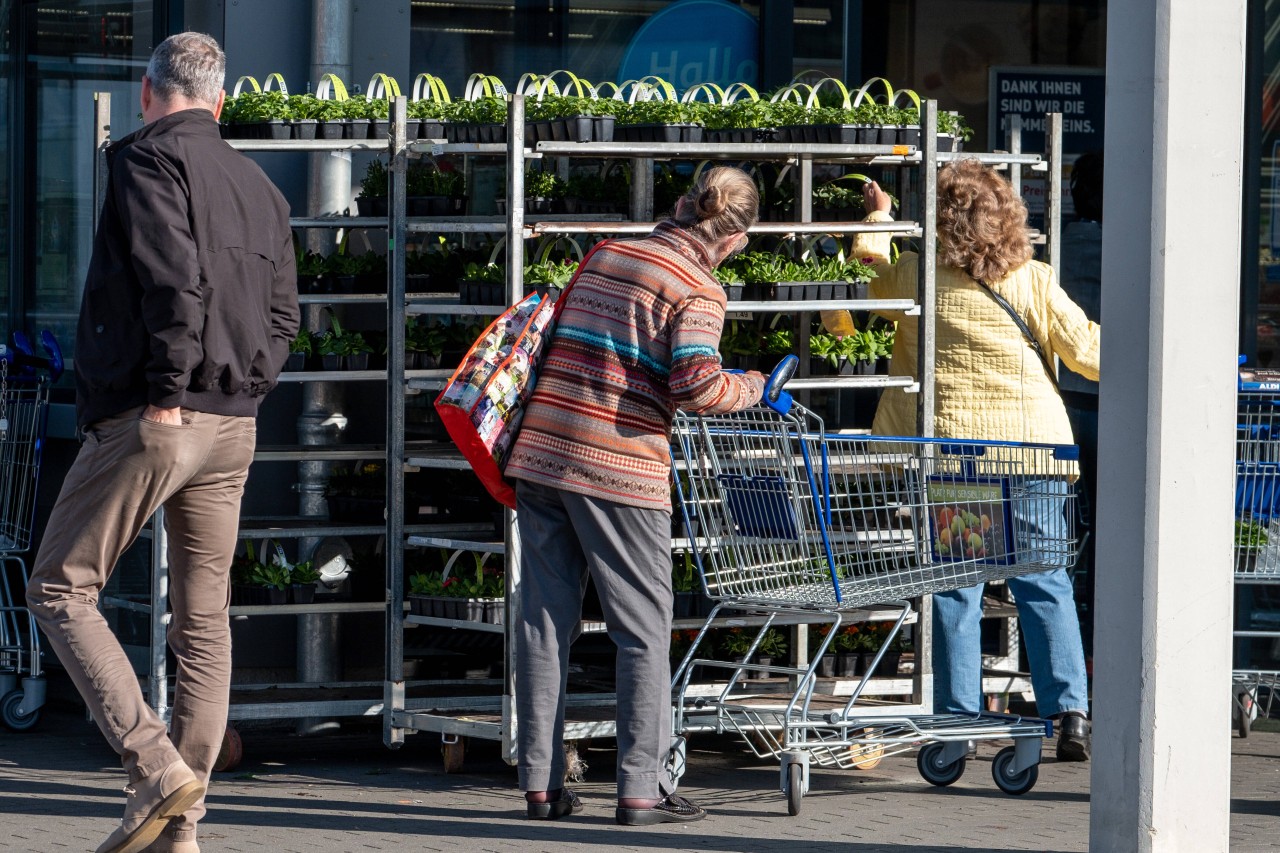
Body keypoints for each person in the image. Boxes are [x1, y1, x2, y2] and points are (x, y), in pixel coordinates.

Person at [26, 32, 299, 853]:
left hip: (160, 414)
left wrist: (171, 394)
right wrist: (243, 391)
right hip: (235, 424)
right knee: (204, 620)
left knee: (59, 587)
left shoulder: (145, 160)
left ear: (149, 94)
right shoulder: (260, 186)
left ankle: (154, 766)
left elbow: (171, 281)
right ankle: (181, 830)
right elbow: (286, 319)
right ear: (220, 102)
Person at [505, 166, 765, 825]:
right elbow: (697, 384)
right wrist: (753, 386)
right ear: (735, 239)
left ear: (681, 205)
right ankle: (639, 790)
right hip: (618, 468)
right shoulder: (698, 286)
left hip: (541, 454)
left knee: (542, 621)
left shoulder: (609, 252)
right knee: (643, 631)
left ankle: (540, 784)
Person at [822, 159, 1099, 761]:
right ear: (1007, 217)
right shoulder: (1034, 278)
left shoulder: (918, 278)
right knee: (1046, 582)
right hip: (1036, 455)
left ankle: (957, 721)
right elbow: (1087, 353)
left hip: (957, 457)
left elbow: (866, 278)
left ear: (939, 218)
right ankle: (1070, 711)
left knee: (957, 589)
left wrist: (877, 218)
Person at [1058, 151, 1104, 663]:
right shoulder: (1135, 248)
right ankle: (1093, 654)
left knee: (1057, 535)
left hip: (1057, 404)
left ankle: (1058, 658)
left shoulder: (1055, 247)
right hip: (1108, 403)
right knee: (1108, 532)